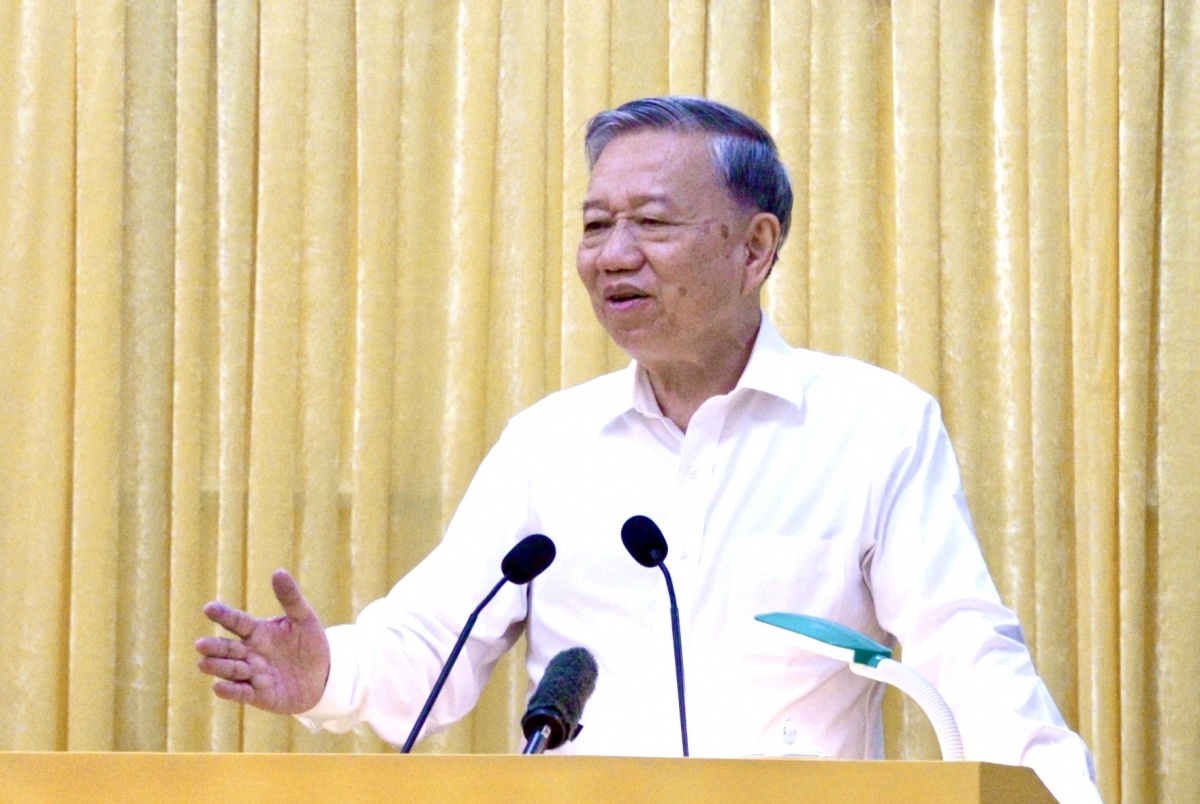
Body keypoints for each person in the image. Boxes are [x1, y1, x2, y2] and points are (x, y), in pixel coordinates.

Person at [197, 96, 1101, 803]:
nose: (612, 255)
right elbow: (434, 645)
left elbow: (968, 655)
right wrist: (325, 672)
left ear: (755, 249)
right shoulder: (549, 444)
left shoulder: (875, 426)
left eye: (652, 224)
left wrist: (1056, 796)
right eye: (596, 224)